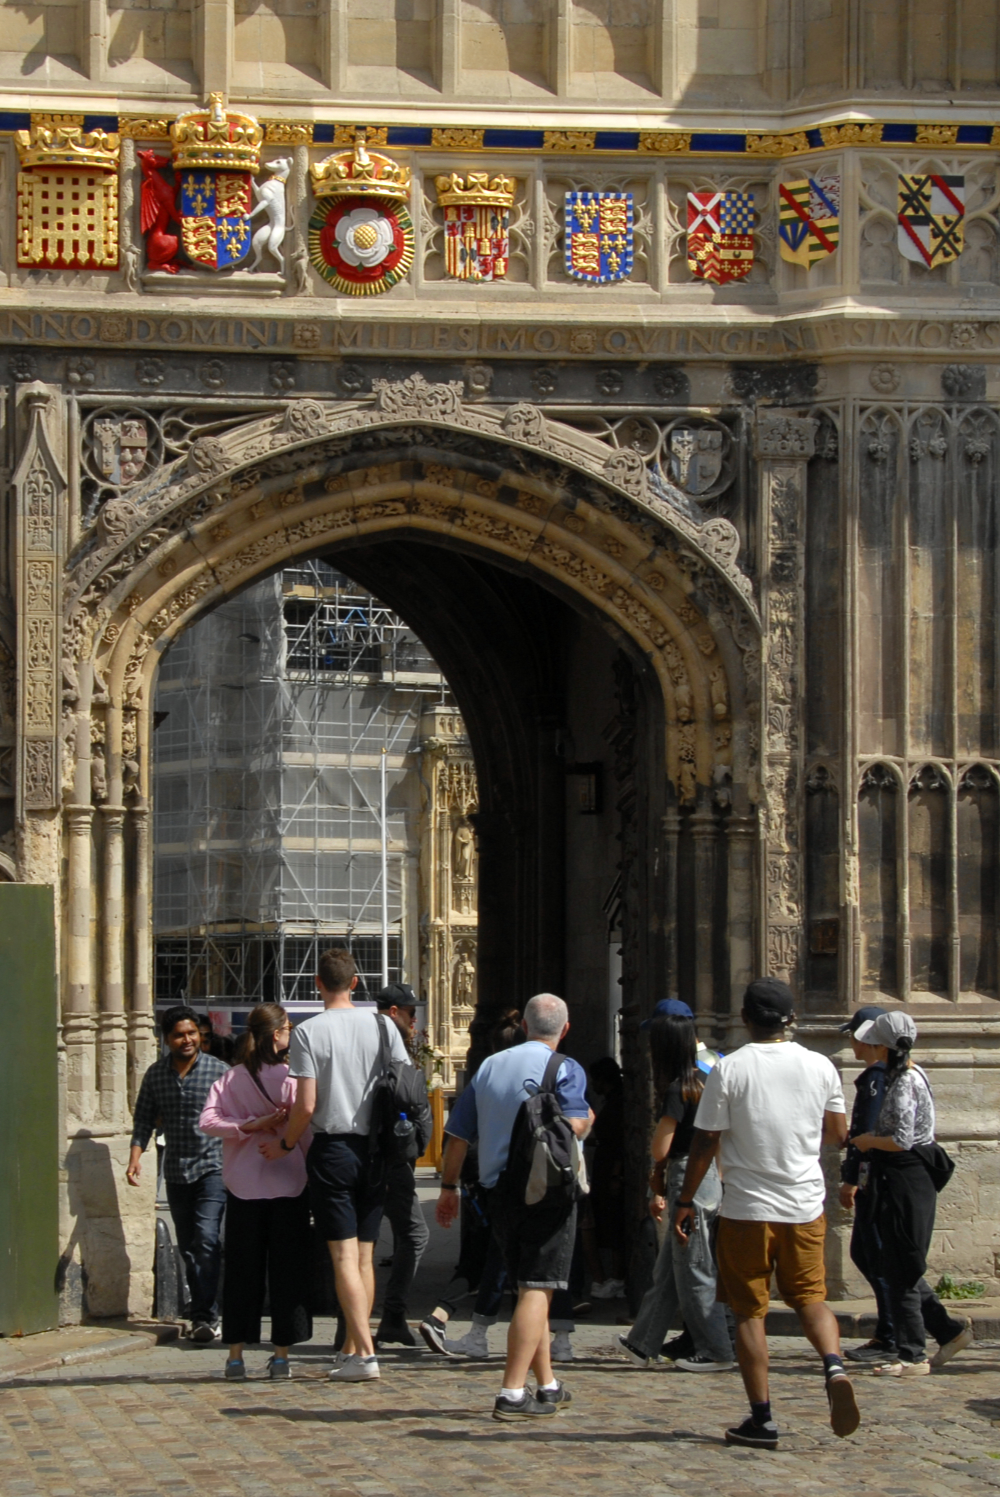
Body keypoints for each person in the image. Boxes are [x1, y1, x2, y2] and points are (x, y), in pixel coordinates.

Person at [674, 978, 859, 1449]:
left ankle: (763, 1418)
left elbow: (707, 1139)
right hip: (803, 1204)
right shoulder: (820, 1067)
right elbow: (838, 1131)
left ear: (746, 1017)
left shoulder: (730, 1069)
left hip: (747, 1208)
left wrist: (684, 1199)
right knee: (810, 1299)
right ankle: (834, 1367)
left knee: (748, 1312)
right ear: (791, 1018)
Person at [434, 993, 593, 1421]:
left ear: (524, 1025)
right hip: (546, 1190)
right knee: (539, 1289)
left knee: (528, 1287)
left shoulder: (489, 1066)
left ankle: (547, 1385)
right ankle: (510, 1391)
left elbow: (458, 1136)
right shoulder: (565, 1068)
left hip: (498, 1190)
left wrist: (449, 1187)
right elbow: (576, 1124)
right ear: (565, 1028)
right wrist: (590, 1119)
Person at [264, 947, 409, 1382]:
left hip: (334, 1148)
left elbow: (305, 1105)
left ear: (317, 983)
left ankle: (365, 1353)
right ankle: (351, 1349)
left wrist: (287, 1145)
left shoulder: (309, 1032)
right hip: (378, 1148)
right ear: (357, 982)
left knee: (343, 1256)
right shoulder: (384, 1025)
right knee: (364, 1255)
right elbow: (403, 1083)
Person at [849, 1010, 974, 1376]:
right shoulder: (906, 1074)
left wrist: (867, 1141)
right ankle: (946, 1331)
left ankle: (912, 1354)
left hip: (906, 1176)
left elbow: (902, 1139)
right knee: (898, 1262)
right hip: (903, 1176)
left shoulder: (904, 1080)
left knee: (900, 1265)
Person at [198, 1003, 313, 1380]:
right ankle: (281, 1356)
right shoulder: (294, 1079)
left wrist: (245, 1126)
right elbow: (307, 1129)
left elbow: (209, 1121)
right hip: (289, 1183)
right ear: (278, 1033)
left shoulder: (231, 1079)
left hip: (243, 1185)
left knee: (242, 1273)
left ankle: (235, 1355)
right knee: (287, 1272)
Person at [619, 1002, 733, 1372]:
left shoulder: (678, 1087)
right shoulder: (714, 1071)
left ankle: (717, 1348)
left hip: (688, 1177)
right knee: (671, 1267)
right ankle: (643, 1340)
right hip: (710, 1177)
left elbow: (661, 1147)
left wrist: (659, 1178)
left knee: (695, 1266)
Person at [127, 1005, 229, 1342]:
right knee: (188, 1246)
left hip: (213, 1168)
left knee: (206, 1239)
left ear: (200, 1035)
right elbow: (143, 1119)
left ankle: (205, 1316)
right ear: (166, 1039)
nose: (187, 1040)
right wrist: (135, 1157)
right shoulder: (156, 1075)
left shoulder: (219, 1071)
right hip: (176, 1171)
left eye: (192, 1033)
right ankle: (202, 1310)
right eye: (179, 1035)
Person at [372, 982, 431, 1348]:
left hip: (356, 1152)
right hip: (390, 1157)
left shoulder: (357, 1039)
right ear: (394, 1013)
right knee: (414, 1234)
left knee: (358, 1240)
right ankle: (392, 1314)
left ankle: (351, 1327)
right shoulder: (391, 1048)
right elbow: (409, 1101)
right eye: (410, 1014)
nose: (414, 1021)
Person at [584, 1057, 626, 1301]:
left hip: (611, 1169)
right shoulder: (612, 1102)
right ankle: (610, 1279)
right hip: (605, 1167)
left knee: (612, 1223)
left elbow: (620, 1140)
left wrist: (616, 1174)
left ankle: (615, 1278)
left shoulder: (618, 1105)